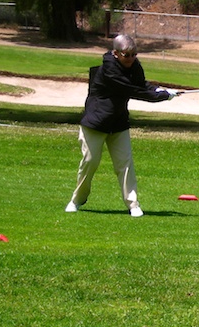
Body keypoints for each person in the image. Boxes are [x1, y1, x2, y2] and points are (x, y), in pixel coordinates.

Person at [65, 34, 176, 217]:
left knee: (125, 164)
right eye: (127, 55)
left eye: (134, 54)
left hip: (118, 123)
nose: (131, 59)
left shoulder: (134, 66)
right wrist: (161, 96)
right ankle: (77, 200)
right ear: (116, 53)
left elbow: (141, 85)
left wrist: (160, 90)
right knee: (90, 162)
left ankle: (133, 204)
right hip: (95, 123)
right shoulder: (109, 71)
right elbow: (132, 90)